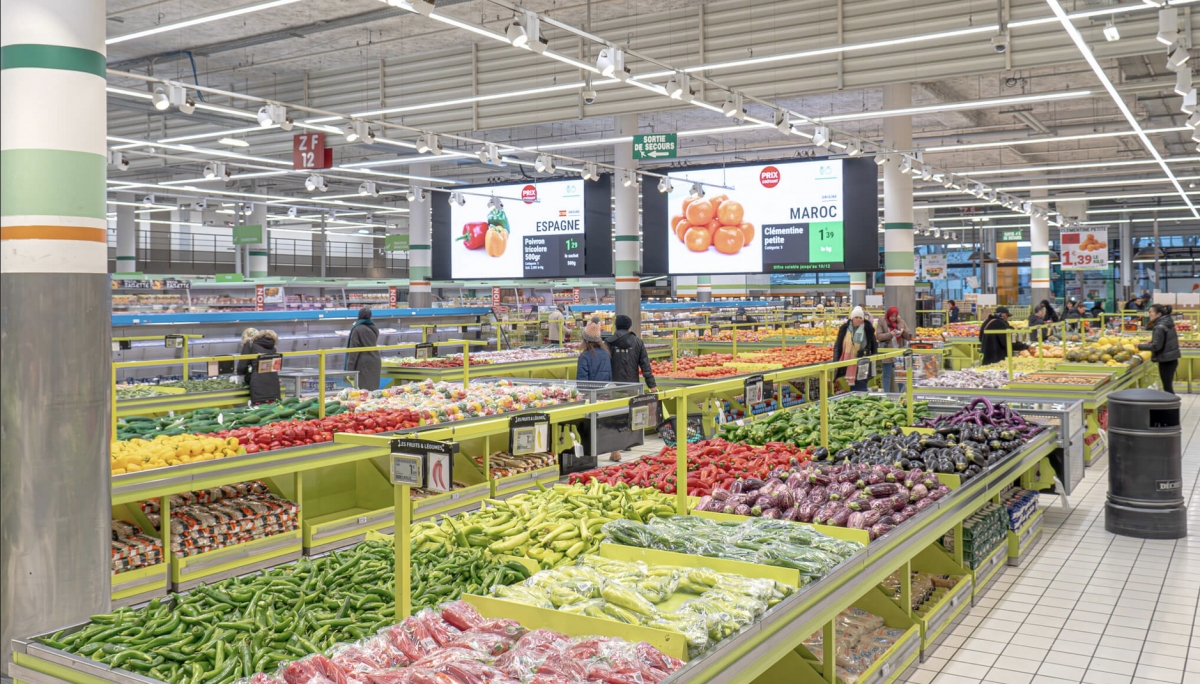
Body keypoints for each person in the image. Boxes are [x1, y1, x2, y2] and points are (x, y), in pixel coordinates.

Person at [833, 307, 878, 392]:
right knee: (854, 386)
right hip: (849, 361)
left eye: (860, 318)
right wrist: (836, 361)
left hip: (863, 360)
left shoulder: (868, 329)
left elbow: (874, 345)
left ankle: (861, 401)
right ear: (852, 318)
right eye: (856, 317)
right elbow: (838, 345)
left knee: (861, 384)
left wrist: (874, 358)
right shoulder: (845, 329)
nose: (858, 319)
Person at [1139, 304, 1180, 394]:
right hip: (1171, 359)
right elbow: (1165, 340)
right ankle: (1171, 406)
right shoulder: (1167, 323)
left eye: (1151, 312)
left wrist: (1139, 346)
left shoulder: (1159, 326)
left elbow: (1156, 346)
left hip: (1166, 360)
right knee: (1167, 386)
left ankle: (1172, 407)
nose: (1149, 314)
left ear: (1158, 314)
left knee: (1167, 388)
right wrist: (1154, 341)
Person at [608, 314, 656, 391]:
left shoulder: (609, 342)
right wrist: (652, 385)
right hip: (633, 385)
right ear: (629, 327)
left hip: (613, 386)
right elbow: (645, 365)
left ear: (616, 326)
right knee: (632, 402)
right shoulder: (638, 342)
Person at [237, 330, 282, 405]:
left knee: (259, 411)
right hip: (274, 385)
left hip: (258, 385)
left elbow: (242, 367)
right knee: (273, 412)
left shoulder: (250, 345)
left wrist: (246, 376)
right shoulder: (273, 348)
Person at [876, 306, 913, 393]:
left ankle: (902, 395)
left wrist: (903, 332)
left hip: (899, 353)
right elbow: (878, 336)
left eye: (895, 316)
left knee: (900, 376)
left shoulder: (901, 322)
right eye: (891, 316)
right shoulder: (882, 322)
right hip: (887, 352)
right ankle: (886, 395)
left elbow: (909, 336)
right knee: (886, 375)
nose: (893, 318)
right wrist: (890, 334)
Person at [345, 307, 381, 391]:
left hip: (363, 363)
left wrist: (349, 371)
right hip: (375, 361)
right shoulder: (374, 327)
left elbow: (353, 350)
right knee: (373, 390)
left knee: (363, 392)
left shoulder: (357, 329)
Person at [576, 318, 612, 382]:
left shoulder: (584, 356)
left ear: (585, 339)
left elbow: (582, 380)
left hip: (590, 390)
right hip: (605, 390)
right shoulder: (606, 353)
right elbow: (609, 375)